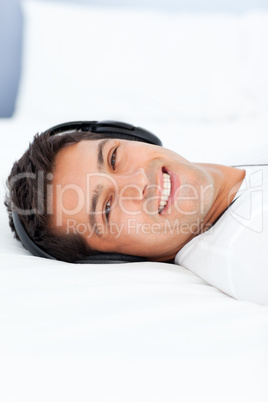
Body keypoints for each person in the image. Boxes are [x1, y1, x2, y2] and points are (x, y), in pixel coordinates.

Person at [5, 123, 268, 305]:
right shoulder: (250, 251)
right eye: (107, 209)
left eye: (114, 158)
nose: (140, 180)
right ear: (116, 258)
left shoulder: (238, 163)